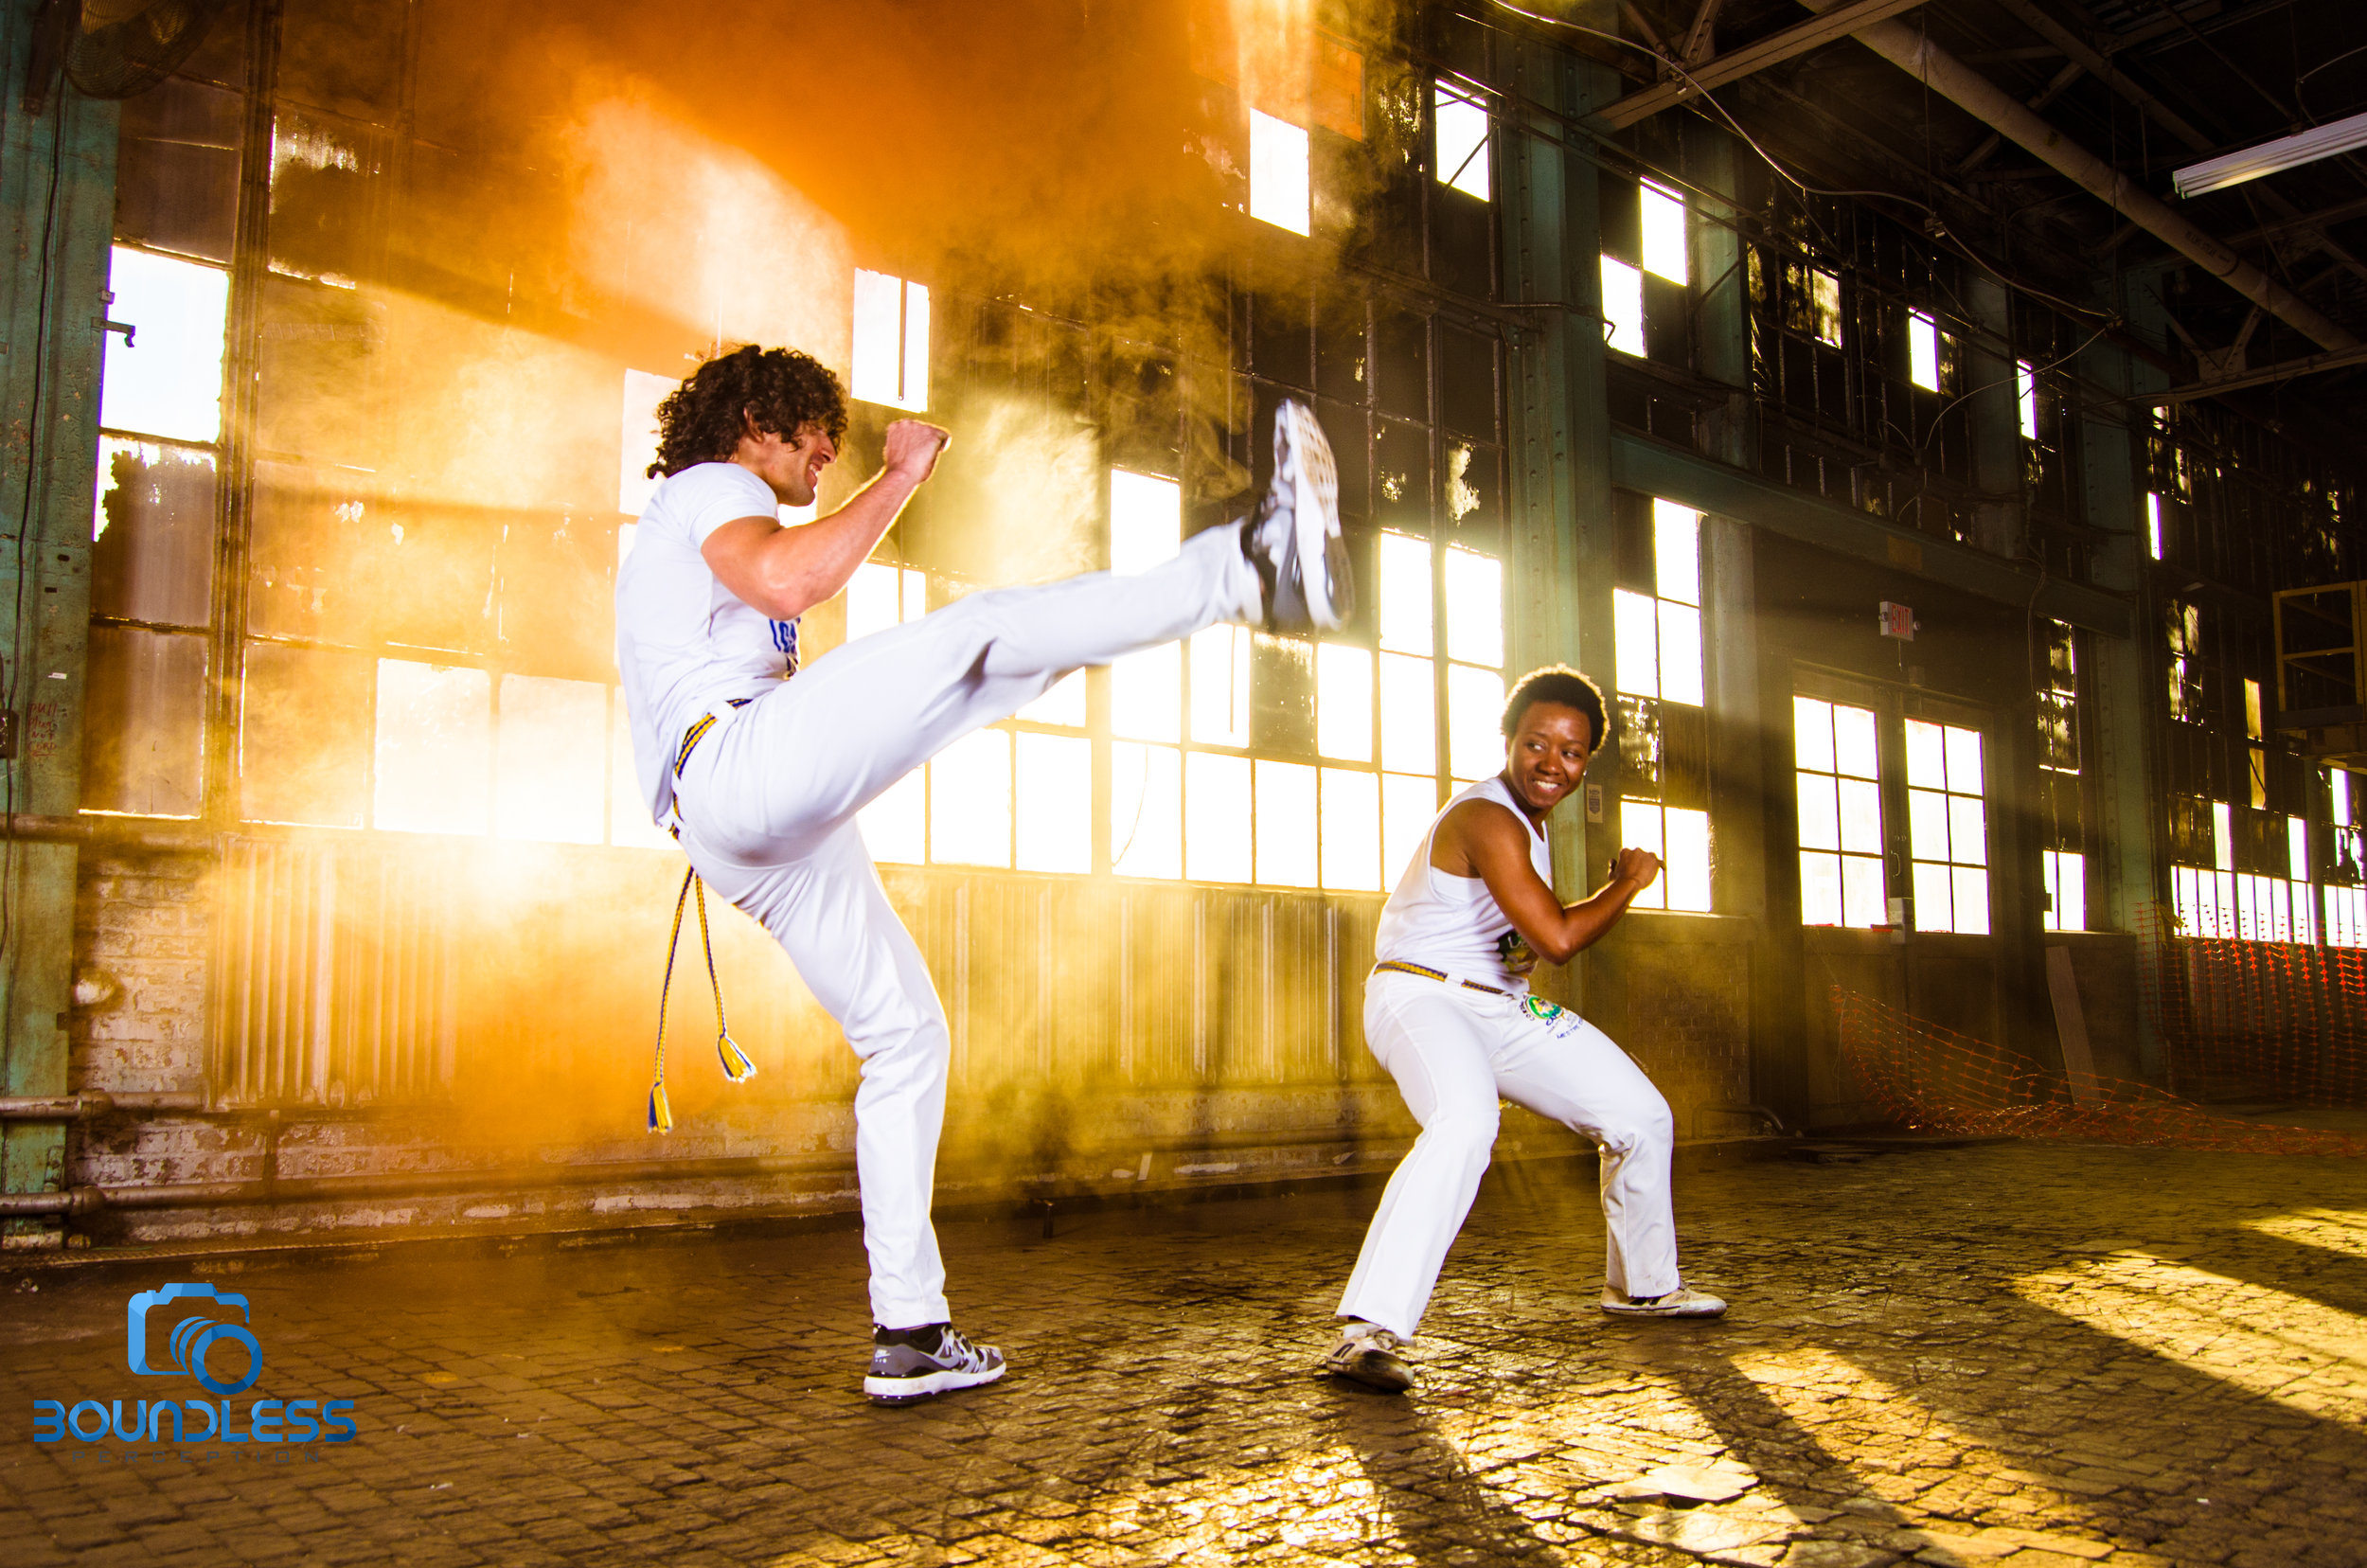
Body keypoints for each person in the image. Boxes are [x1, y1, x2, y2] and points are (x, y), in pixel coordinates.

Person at [614, 345, 1350, 1404]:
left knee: (907, 1033)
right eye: (813, 429)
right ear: (754, 421)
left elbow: (778, 594)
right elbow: (792, 577)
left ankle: (909, 1333)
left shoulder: (712, 517)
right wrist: (901, 474)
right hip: (735, 765)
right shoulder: (713, 487)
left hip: (736, 820)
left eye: (837, 437)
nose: (829, 448)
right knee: (987, 630)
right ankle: (1251, 564)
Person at [1321, 666, 1725, 1395]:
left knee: (1641, 1116)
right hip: (1420, 997)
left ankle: (1642, 1288)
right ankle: (1368, 1330)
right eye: (1537, 743)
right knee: (1465, 1125)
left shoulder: (1530, 829)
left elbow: (1525, 939)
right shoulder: (1488, 817)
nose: (1553, 763)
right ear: (1509, 740)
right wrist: (1629, 881)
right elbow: (1561, 938)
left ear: (1585, 762)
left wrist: (1519, 946)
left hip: (1498, 1007)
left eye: (1571, 753)